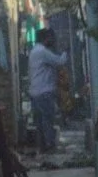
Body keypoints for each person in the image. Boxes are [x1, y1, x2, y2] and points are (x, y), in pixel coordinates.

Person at [26, 27, 68, 157]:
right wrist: (66, 51)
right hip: (44, 91)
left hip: (35, 92)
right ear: (45, 39)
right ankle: (49, 146)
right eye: (51, 38)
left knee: (40, 122)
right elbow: (60, 61)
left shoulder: (35, 51)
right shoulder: (42, 52)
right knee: (47, 120)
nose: (53, 40)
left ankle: (42, 147)